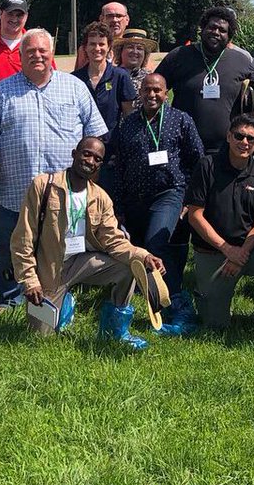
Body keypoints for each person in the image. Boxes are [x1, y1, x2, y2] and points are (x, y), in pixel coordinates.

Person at [0, 29, 107, 310]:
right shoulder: (1, 92)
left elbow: (95, 134)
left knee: (63, 245)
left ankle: (59, 293)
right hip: (15, 187)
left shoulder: (74, 87)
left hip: (65, 190)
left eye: (43, 51)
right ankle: (11, 297)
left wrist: (91, 181)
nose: (37, 56)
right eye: (30, 51)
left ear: (52, 53)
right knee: (12, 244)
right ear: (20, 55)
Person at [12, 136, 166, 349]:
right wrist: (30, 280)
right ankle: (65, 304)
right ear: (74, 153)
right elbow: (23, 237)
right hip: (49, 269)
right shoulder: (44, 185)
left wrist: (143, 255)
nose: (91, 161)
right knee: (39, 339)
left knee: (129, 267)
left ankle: (114, 330)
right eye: (86, 154)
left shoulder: (100, 197)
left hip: (82, 262)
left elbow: (113, 240)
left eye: (97, 159)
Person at [107, 72, 205, 333]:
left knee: (155, 243)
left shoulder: (180, 120)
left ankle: (178, 303)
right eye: (147, 90)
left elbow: (198, 160)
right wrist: (118, 205)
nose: (152, 95)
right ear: (140, 93)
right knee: (139, 249)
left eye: (157, 91)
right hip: (134, 198)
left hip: (169, 193)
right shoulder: (127, 125)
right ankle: (154, 299)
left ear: (166, 93)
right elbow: (118, 167)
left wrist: (189, 198)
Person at [185, 115, 254, 337]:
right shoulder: (207, 165)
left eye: (250, 139)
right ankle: (205, 295)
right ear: (228, 136)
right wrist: (227, 249)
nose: (244, 142)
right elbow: (195, 215)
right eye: (239, 136)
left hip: (247, 251)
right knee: (215, 327)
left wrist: (241, 252)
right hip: (213, 251)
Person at [155, 5, 254, 154]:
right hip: (182, 146)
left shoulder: (240, 60)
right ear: (202, 29)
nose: (216, 32)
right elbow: (155, 89)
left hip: (226, 150)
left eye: (222, 30)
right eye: (212, 27)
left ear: (229, 36)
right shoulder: (179, 56)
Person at [71, 20, 135, 153]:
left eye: (101, 44)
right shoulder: (74, 79)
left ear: (109, 46)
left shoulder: (120, 76)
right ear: (85, 47)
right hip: (82, 151)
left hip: (112, 151)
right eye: (92, 44)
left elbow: (129, 116)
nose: (97, 48)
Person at [74, 0, 131, 71]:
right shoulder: (86, 49)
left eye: (119, 16)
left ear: (127, 20)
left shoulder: (134, 49)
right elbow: (78, 78)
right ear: (101, 19)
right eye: (110, 16)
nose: (115, 20)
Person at [112, 28, 158, 106]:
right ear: (120, 51)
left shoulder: (151, 79)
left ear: (145, 54)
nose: (135, 51)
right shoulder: (110, 75)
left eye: (139, 48)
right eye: (130, 47)